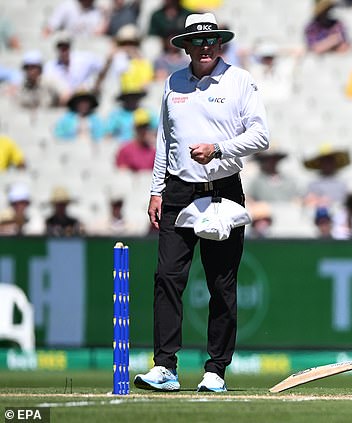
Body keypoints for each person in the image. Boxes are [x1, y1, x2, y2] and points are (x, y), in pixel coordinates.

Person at [133, 12, 269, 393]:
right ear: (186, 46)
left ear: (220, 44)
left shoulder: (240, 80)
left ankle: (216, 370)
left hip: (222, 191)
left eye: (211, 41)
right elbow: (166, 139)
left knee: (221, 284)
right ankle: (165, 367)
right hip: (177, 190)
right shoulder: (174, 82)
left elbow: (261, 136)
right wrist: (156, 188)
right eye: (198, 41)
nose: (205, 47)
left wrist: (219, 149)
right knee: (167, 278)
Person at [303, 144, 350, 208]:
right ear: (320, 164)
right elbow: (309, 204)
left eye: (330, 161)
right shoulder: (313, 184)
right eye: (325, 162)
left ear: (334, 164)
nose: (328, 165)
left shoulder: (343, 183)